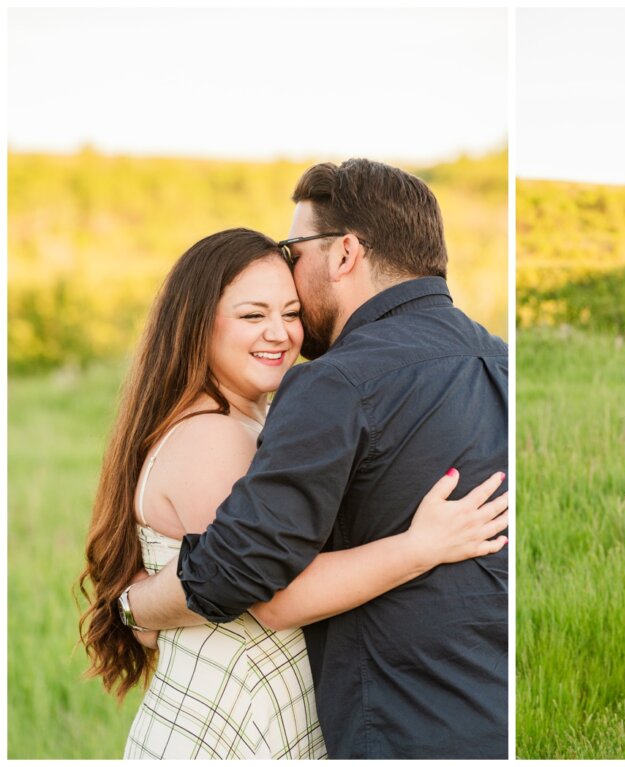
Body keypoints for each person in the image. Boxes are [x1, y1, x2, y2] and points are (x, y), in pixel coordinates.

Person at [122, 160, 509, 758]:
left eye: (295, 250)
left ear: (346, 253)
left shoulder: (336, 383)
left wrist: (134, 604)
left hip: (394, 722)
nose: (284, 324)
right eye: (253, 314)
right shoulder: (501, 362)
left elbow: (246, 578)